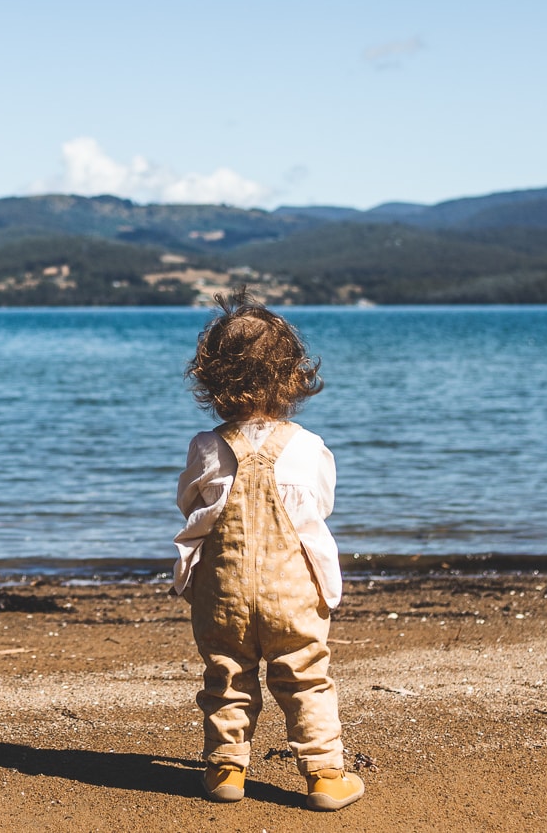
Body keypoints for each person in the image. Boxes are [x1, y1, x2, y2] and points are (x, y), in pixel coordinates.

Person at [172, 293, 363, 811]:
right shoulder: (307, 446)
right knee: (304, 675)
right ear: (293, 377)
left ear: (212, 381)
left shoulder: (207, 447)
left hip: (224, 589)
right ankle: (324, 774)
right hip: (291, 588)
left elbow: (188, 501)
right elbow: (319, 505)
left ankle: (226, 768)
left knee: (228, 673)